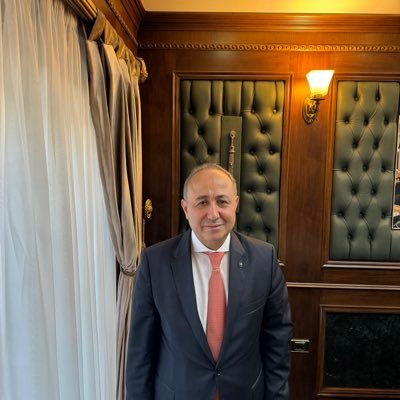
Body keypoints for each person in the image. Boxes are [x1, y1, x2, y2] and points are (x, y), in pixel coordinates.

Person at [126, 163, 293, 400]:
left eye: (222, 202)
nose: (213, 214)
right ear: (186, 208)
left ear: (235, 204)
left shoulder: (264, 260)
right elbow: (140, 352)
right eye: (202, 202)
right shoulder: (155, 263)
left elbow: (277, 342)